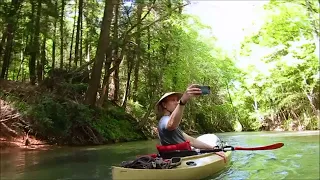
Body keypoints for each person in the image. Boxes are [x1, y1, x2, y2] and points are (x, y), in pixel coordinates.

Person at [155, 84, 217, 150]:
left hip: (183, 155)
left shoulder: (171, 123)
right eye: (173, 100)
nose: (177, 102)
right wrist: (182, 102)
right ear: (164, 105)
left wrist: (212, 148)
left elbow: (192, 141)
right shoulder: (164, 120)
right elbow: (171, 125)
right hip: (181, 157)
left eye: (177, 100)